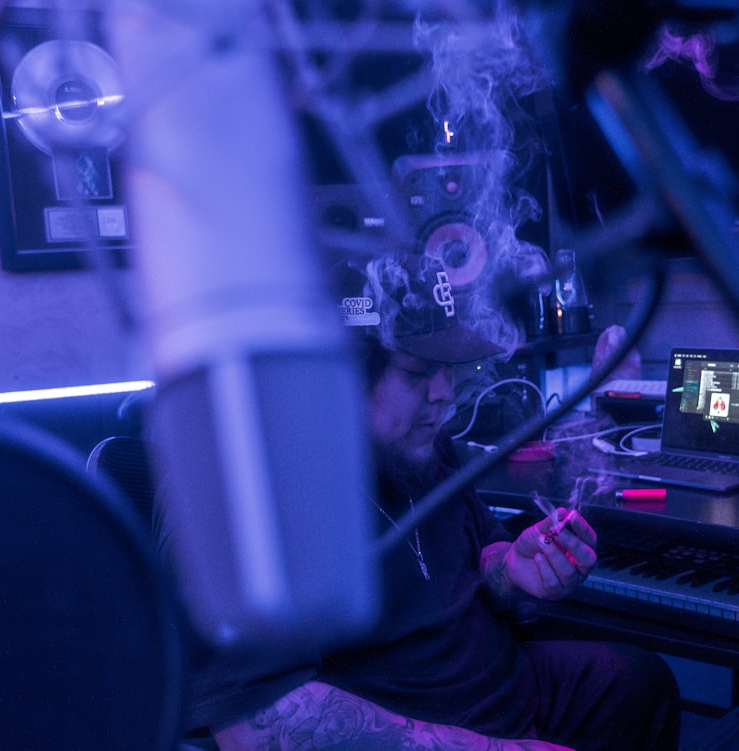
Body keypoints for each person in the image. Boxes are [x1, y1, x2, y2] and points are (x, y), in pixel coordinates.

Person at [165, 254, 681, 751]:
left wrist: (516, 569)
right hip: (404, 723)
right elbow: (257, 725)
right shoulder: (254, 487)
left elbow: (483, 561)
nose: (444, 394)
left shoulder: (422, 446)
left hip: (498, 687)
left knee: (638, 685)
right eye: (416, 372)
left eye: (450, 368)